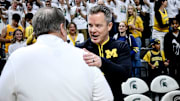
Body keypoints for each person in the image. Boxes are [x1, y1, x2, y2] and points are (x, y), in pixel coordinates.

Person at [0, 7, 114, 101]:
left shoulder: (17, 58)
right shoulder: (85, 57)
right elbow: (106, 98)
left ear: (35, 31)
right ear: (62, 29)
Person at [77, 5, 131, 101]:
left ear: (109, 26)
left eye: (98, 25)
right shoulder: (80, 49)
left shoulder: (121, 46)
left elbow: (125, 74)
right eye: (90, 25)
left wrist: (101, 62)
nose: (93, 30)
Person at [126, 4, 144, 76]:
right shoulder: (128, 18)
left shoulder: (138, 18)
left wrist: (135, 27)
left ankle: (138, 76)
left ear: (134, 10)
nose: (130, 10)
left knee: (137, 57)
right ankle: (133, 76)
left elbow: (142, 29)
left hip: (136, 38)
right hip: (130, 39)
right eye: (129, 9)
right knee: (132, 57)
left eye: (131, 9)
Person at [164, 18, 180, 84]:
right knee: (172, 75)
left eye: (176, 23)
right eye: (173, 24)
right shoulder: (167, 36)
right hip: (172, 58)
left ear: (179, 24)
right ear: (170, 25)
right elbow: (166, 49)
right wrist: (167, 59)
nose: (175, 25)